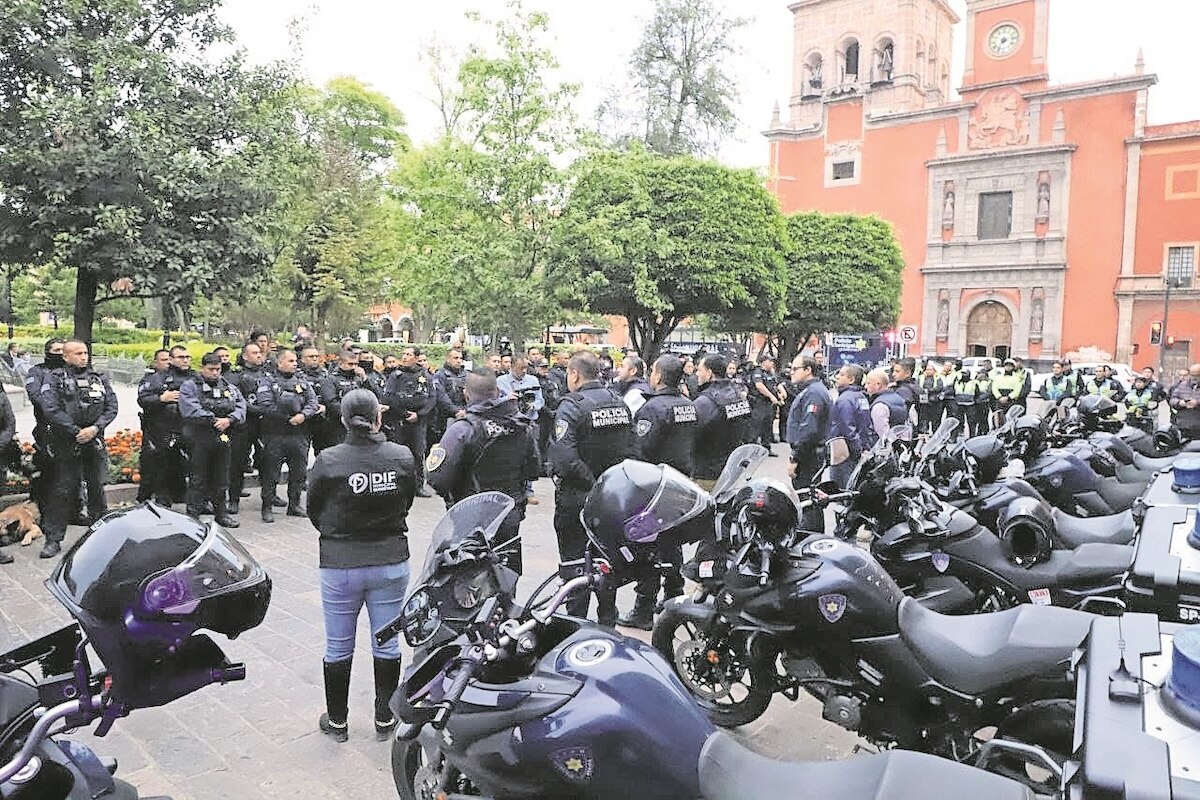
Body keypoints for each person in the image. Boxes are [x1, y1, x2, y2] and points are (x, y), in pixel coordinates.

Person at [306, 389, 417, 744]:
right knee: (387, 643)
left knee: (338, 645)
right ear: (378, 418)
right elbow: (408, 500)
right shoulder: (401, 455)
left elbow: (314, 509)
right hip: (390, 560)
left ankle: (337, 721)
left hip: (340, 563)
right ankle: (385, 719)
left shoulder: (328, 459)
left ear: (342, 420)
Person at [426, 369, 540, 574]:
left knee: (468, 584)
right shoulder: (520, 425)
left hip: (471, 516)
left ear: (466, 394)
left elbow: (437, 479)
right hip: (509, 512)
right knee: (506, 579)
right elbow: (534, 469)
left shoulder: (462, 429)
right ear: (497, 391)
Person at [548, 351, 632, 626]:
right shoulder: (619, 403)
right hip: (613, 498)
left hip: (578, 498)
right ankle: (607, 617)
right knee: (606, 559)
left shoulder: (572, 406)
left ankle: (577, 623)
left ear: (574, 374)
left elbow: (565, 458)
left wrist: (593, 484)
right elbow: (634, 450)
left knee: (575, 563)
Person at [618, 355, 697, 629]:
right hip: (680, 482)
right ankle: (674, 593)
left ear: (659, 377)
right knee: (672, 540)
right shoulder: (689, 405)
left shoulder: (653, 409)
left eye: (653, 371)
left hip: (656, 486)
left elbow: (641, 450)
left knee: (648, 545)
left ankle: (643, 608)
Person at [38, 340, 119, 558]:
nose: (83, 357)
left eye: (85, 353)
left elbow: (112, 407)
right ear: (65, 356)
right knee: (63, 490)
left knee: (97, 489)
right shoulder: (54, 378)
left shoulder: (98, 378)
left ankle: (101, 537)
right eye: (78, 353)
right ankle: (53, 540)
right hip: (67, 441)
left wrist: (95, 428)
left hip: (93, 439)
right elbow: (51, 409)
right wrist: (75, 430)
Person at [180, 352, 246, 527]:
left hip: (222, 436)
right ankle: (193, 515)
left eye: (218, 369)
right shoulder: (190, 386)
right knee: (198, 478)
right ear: (202, 368)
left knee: (221, 478)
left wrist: (230, 419)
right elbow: (190, 409)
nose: (215, 373)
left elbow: (241, 406)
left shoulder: (228, 387)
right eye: (211, 369)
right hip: (199, 436)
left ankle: (221, 514)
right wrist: (213, 419)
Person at [254, 348, 319, 522]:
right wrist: (287, 417)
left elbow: (313, 403)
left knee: (298, 472)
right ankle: (267, 507)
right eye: (290, 361)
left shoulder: (302, 381)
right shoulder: (268, 381)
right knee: (271, 473)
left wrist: (302, 415)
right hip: (275, 433)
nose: (295, 363)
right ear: (280, 362)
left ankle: (294, 505)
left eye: (295, 361)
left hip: (299, 434)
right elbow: (266, 405)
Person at [136, 345, 192, 507]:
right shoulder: (157, 378)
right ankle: (158, 501)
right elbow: (143, 400)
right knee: (159, 467)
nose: (185, 360)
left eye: (187, 357)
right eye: (181, 357)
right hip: (161, 430)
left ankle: (190, 499)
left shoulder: (195, 378)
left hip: (187, 428)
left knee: (187, 466)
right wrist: (161, 398)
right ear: (172, 360)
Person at [691, 353, 753, 490]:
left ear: (709, 373)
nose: (697, 374)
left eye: (700, 370)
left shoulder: (705, 402)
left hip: (706, 472)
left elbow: (690, 433)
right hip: (731, 468)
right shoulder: (737, 395)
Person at [785, 355, 832, 531]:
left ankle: (810, 537)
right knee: (809, 498)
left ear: (808, 370)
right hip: (810, 452)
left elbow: (809, 430)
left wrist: (794, 458)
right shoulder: (811, 390)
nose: (791, 372)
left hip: (809, 454)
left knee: (808, 499)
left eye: (795, 369)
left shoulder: (814, 393)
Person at [383, 346, 436, 497]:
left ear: (416, 358)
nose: (404, 357)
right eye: (403, 354)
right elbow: (390, 396)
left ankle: (418, 485)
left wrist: (419, 415)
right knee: (399, 453)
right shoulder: (396, 375)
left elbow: (432, 398)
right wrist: (405, 414)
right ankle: (398, 486)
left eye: (408, 354)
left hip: (418, 422)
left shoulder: (426, 375)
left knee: (419, 454)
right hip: (399, 420)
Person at [24, 338, 66, 514]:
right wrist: (55, 409)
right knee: (45, 469)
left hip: (68, 428)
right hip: (46, 428)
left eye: (63, 350)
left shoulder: (68, 371)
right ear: (47, 351)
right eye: (56, 350)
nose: (60, 354)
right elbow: (36, 396)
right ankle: (40, 507)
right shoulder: (37, 371)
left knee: (68, 472)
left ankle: (73, 509)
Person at [496, 355, 544, 504]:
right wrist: (507, 398)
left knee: (531, 457)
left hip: (529, 422)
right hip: (510, 423)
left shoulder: (533, 381)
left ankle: (529, 490)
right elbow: (494, 401)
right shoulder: (500, 382)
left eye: (525, 368)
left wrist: (533, 405)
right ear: (511, 367)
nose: (523, 371)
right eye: (520, 368)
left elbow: (540, 400)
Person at [229, 342, 269, 514]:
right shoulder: (236, 376)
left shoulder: (268, 374)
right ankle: (233, 499)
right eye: (254, 353)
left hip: (265, 425)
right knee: (237, 463)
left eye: (260, 352)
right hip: (244, 425)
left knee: (267, 462)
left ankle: (269, 497)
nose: (259, 355)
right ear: (245, 356)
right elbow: (236, 400)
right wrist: (255, 410)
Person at [135, 349, 171, 503]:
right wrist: (161, 398)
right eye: (163, 360)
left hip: (175, 427)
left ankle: (167, 497)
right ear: (155, 363)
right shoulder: (150, 379)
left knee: (170, 465)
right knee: (151, 464)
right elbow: (143, 400)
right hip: (154, 428)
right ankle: (144, 498)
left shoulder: (179, 378)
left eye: (169, 359)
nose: (167, 362)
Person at [828, 364, 873, 488]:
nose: (837, 377)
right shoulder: (861, 397)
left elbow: (847, 428)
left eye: (842, 374)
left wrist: (856, 448)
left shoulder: (845, 399)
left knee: (842, 488)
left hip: (845, 451)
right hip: (859, 447)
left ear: (851, 379)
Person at [319, 351, 369, 451]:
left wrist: (365, 378)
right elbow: (331, 402)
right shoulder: (330, 380)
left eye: (356, 364)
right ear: (341, 364)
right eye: (350, 364)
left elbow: (372, 395)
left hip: (359, 424)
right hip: (338, 425)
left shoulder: (358, 379)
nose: (354, 367)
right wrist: (350, 414)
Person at [749, 358, 785, 452]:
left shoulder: (770, 373)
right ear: (764, 362)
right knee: (756, 426)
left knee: (768, 426)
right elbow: (759, 386)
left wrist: (780, 393)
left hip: (768, 403)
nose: (772, 363)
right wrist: (771, 396)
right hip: (758, 402)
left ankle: (766, 448)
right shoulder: (757, 371)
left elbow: (775, 384)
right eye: (770, 361)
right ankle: (751, 450)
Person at [300, 345, 330, 452]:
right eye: (311, 356)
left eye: (316, 356)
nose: (314, 359)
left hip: (322, 417)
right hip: (304, 418)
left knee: (323, 451)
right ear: (302, 359)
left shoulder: (326, 374)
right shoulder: (297, 376)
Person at [866, 367, 907, 439]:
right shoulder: (899, 398)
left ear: (878, 385)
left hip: (885, 447)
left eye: (868, 383)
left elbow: (883, 433)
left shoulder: (879, 405)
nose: (866, 386)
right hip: (902, 443)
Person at [1170, 364, 1200, 439]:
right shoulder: (1182, 385)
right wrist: (1180, 403)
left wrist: (1197, 403)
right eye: (1192, 375)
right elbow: (1172, 399)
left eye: (1197, 375)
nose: (1194, 378)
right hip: (1183, 424)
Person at [951, 365, 980, 437]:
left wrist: (975, 401)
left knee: (971, 422)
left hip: (970, 405)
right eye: (963, 374)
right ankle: (955, 436)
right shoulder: (957, 382)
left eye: (966, 373)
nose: (964, 375)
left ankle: (972, 436)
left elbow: (977, 393)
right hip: (959, 404)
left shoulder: (974, 383)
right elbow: (953, 392)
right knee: (957, 421)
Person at [915, 362, 944, 434]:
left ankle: (935, 433)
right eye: (927, 369)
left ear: (934, 371)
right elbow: (917, 387)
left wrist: (929, 390)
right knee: (924, 418)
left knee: (935, 420)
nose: (928, 371)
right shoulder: (921, 377)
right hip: (924, 402)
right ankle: (924, 432)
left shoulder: (938, 378)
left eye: (930, 369)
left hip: (935, 401)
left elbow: (939, 387)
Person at [974, 363, 994, 433]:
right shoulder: (975, 381)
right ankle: (979, 431)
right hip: (976, 402)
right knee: (977, 418)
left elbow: (989, 392)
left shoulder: (989, 381)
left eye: (981, 373)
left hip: (985, 402)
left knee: (984, 418)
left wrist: (980, 398)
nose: (979, 375)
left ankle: (985, 431)